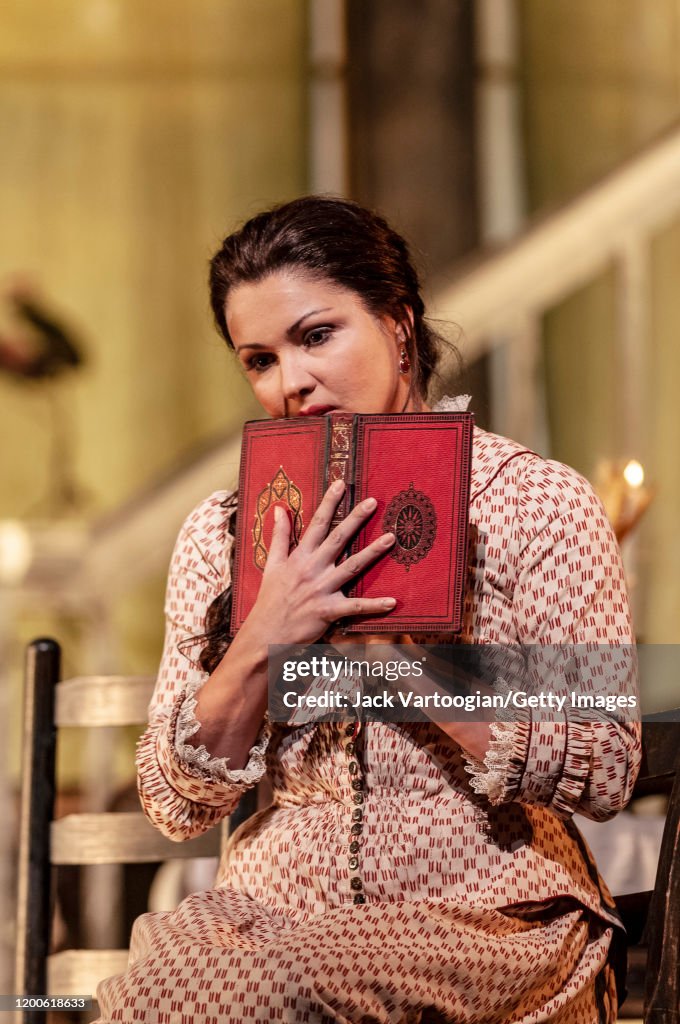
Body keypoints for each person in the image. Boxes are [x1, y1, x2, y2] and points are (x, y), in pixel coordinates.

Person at [96, 196, 640, 1023]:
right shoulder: (225, 530)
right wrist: (260, 637)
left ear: (398, 325)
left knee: (269, 994)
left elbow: (605, 765)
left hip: (486, 913)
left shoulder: (535, 502)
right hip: (269, 917)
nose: (293, 381)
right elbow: (175, 804)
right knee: (149, 993)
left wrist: (404, 658)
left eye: (317, 336)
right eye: (259, 359)